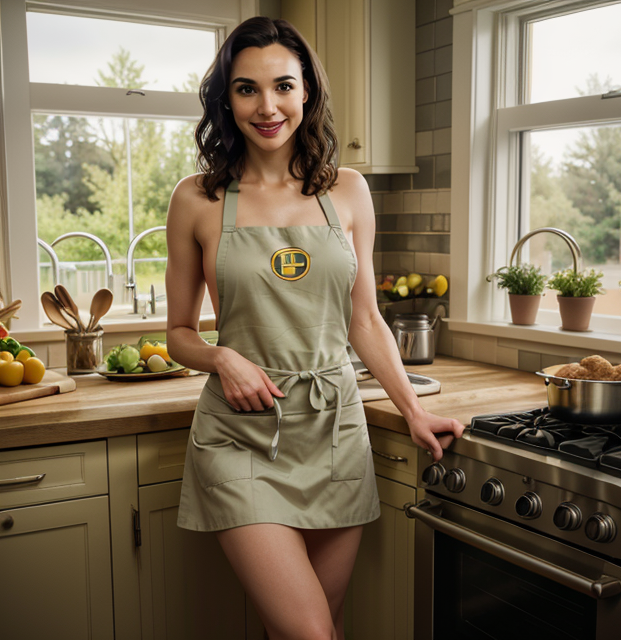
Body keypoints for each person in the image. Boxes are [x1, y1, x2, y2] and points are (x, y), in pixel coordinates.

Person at [166, 16, 464, 640]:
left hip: (334, 427)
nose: (267, 106)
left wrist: (411, 410)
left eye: (283, 86)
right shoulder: (197, 198)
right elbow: (179, 335)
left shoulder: (348, 191)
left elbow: (365, 319)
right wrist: (223, 359)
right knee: (310, 632)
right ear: (226, 99)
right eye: (246, 89)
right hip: (241, 434)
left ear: (308, 93)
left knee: (322, 623)